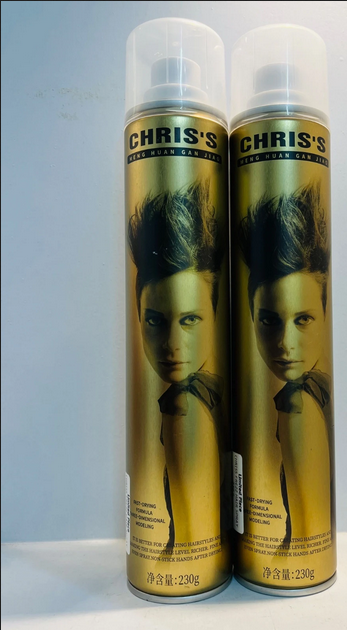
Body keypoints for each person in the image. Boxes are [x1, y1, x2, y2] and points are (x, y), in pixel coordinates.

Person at [128, 180, 226, 551]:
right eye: (155, 321)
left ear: (214, 317)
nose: (171, 345)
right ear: (139, 316)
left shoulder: (182, 405)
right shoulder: (214, 391)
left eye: (189, 320)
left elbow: (189, 541)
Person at [239, 183, 334, 546]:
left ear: (324, 315)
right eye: (269, 320)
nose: (285, 343)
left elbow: (305, 537)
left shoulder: (297, 403)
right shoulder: (319, 388)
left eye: (303, 319)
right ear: (251, 317)